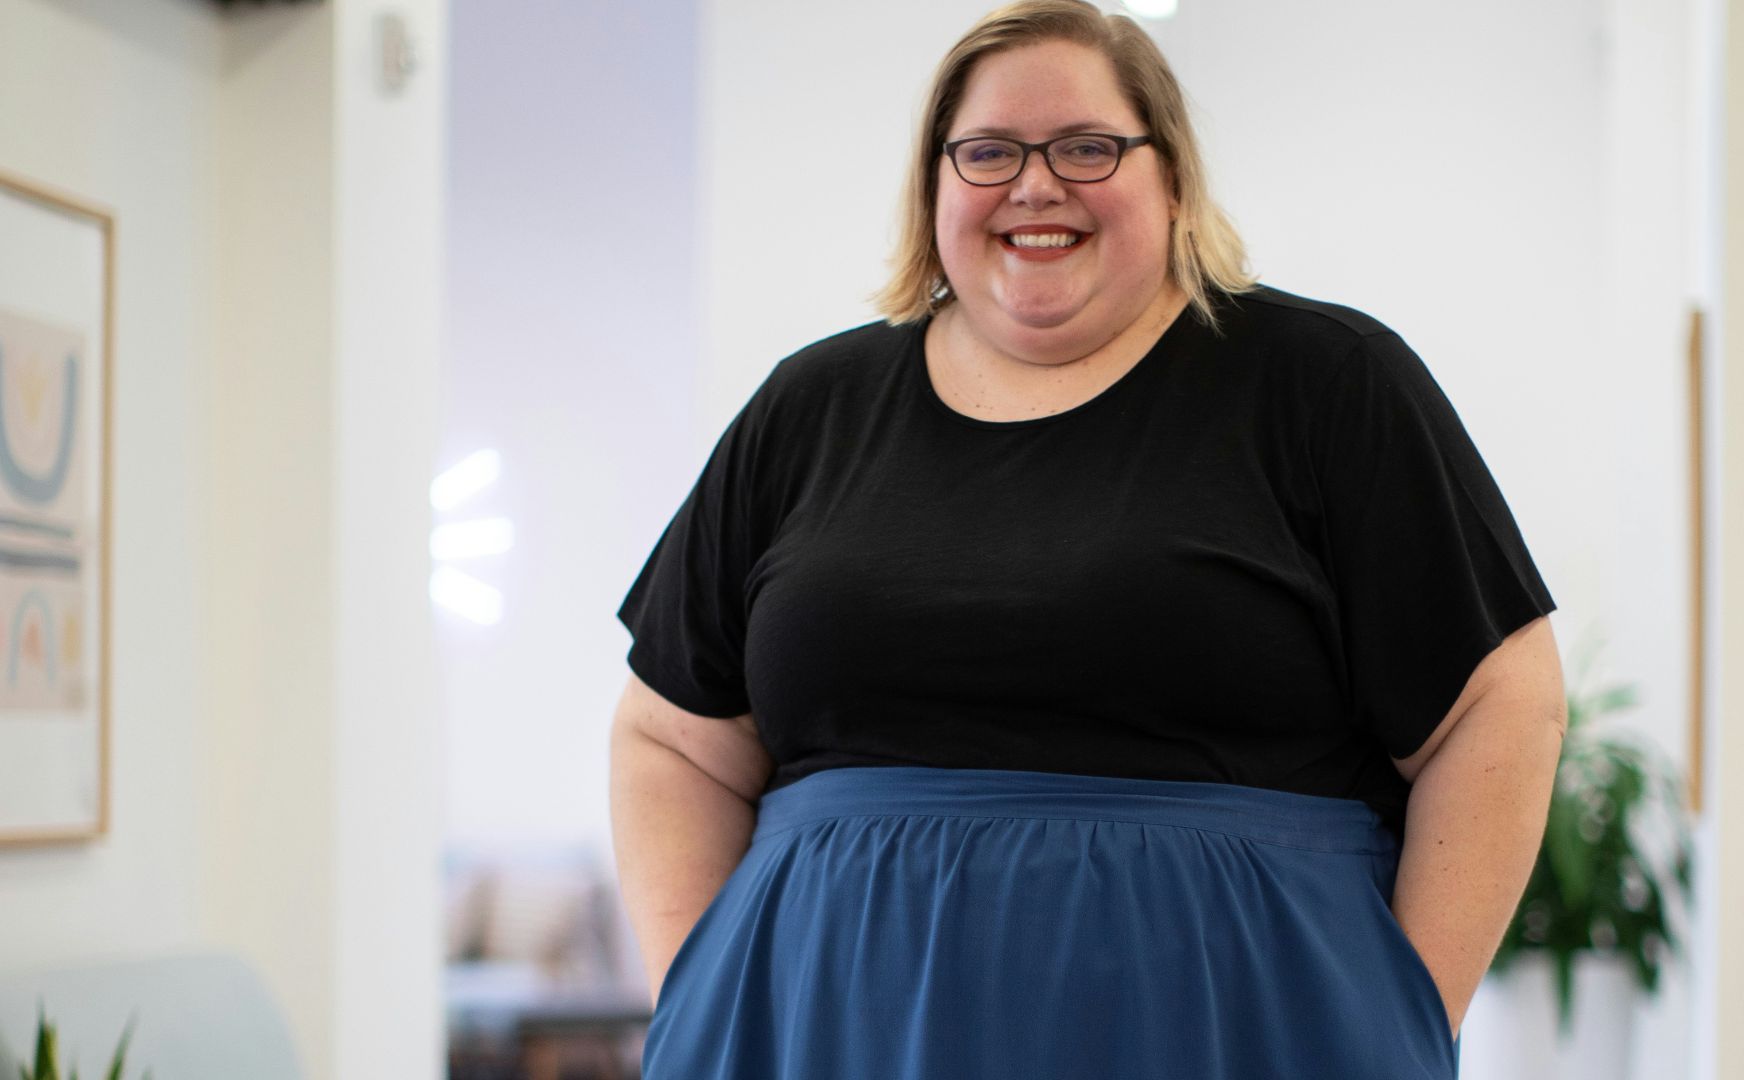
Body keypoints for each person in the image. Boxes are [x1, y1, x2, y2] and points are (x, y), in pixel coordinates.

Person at [609, 2, 1565, 1077]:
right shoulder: (809, 407)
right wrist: (711, 996)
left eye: (1087, 146)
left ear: (1172, 177)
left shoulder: (1324, 383)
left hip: (1233, 1031)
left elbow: (1499, 706)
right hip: (827, 1031)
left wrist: (1390, 1017)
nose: (1034, 184)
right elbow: (673, 740)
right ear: (933, 187)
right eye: (987, 153)